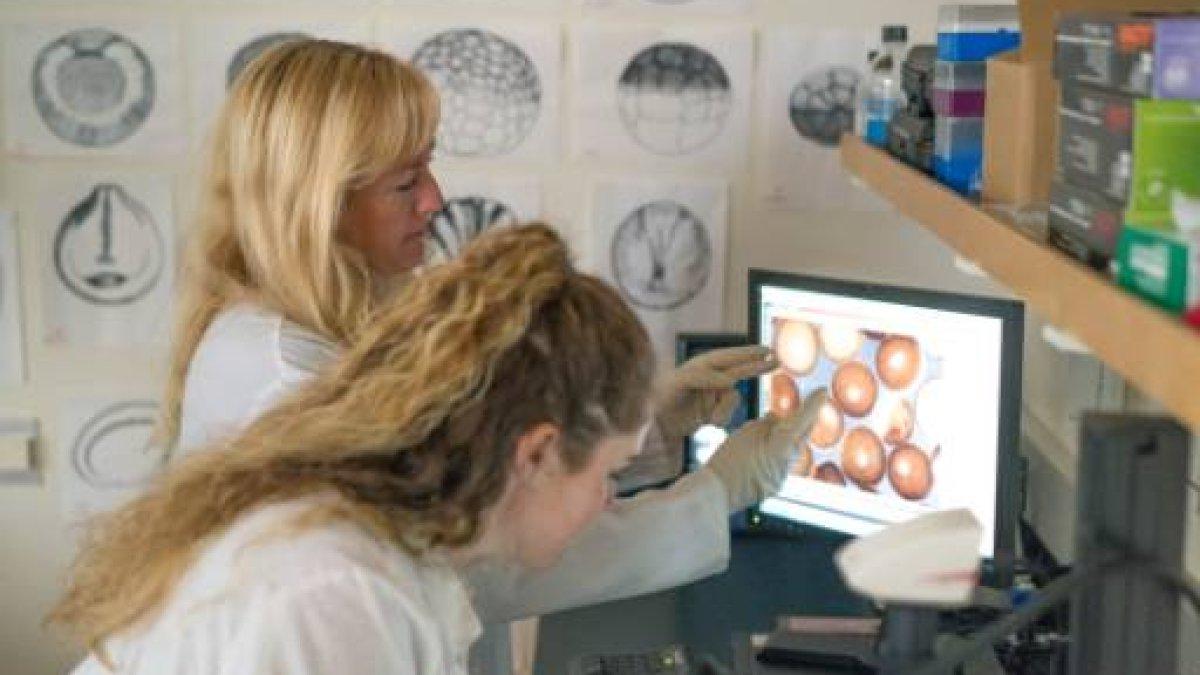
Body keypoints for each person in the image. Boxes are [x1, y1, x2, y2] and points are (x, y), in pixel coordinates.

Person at [161, 39, 818, 673]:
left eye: (430, 164)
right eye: (405, 182)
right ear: (321, 205)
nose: (435, 199)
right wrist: (716, 495)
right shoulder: (284, 384)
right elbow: (480, 555)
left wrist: (648, 427)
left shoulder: (351, 322)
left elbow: (479, 476)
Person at [50, 224, 824, 674]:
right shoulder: (336, 593)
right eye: (611, 473)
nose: (607, 503)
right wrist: (717, 491)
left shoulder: (382, 519)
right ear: (535, 452)